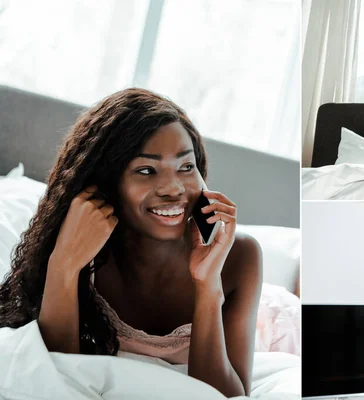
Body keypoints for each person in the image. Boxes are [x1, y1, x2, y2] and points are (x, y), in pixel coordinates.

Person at [0, 88, 262, 397]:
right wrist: (65, 265)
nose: (173, 188)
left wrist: (207, 285)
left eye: (186, 167)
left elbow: (228, 395)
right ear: (105, 181)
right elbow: (58, 376)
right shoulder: (84, 250)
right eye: (146, 170)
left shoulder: (240, 257)